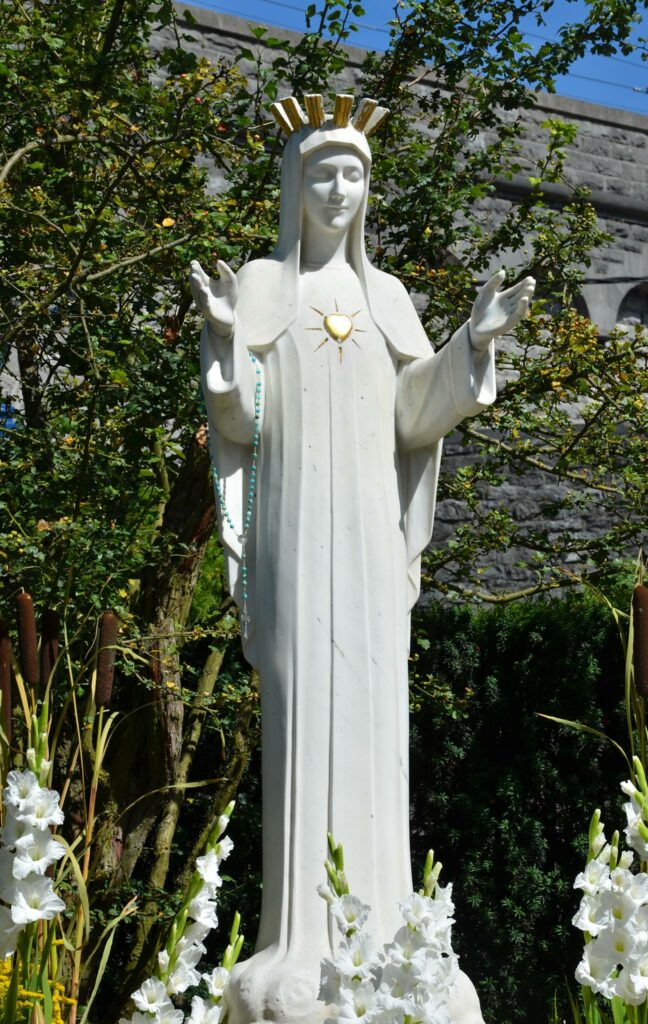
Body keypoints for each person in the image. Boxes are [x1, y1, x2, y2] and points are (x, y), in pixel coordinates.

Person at [190, 93, 535, 1024]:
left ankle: (385, 936)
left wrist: (472, 343)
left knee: (377, 719)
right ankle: (298, 944)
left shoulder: (387, 300)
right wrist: (224, 336)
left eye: (353, 174)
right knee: (302, 708)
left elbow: (414, 416)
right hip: (297, 531)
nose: (339, 191)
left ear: (367, 190)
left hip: (372, 546)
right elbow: (241, 419)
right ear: (293, 185)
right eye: (322, 174)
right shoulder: (263, 288)